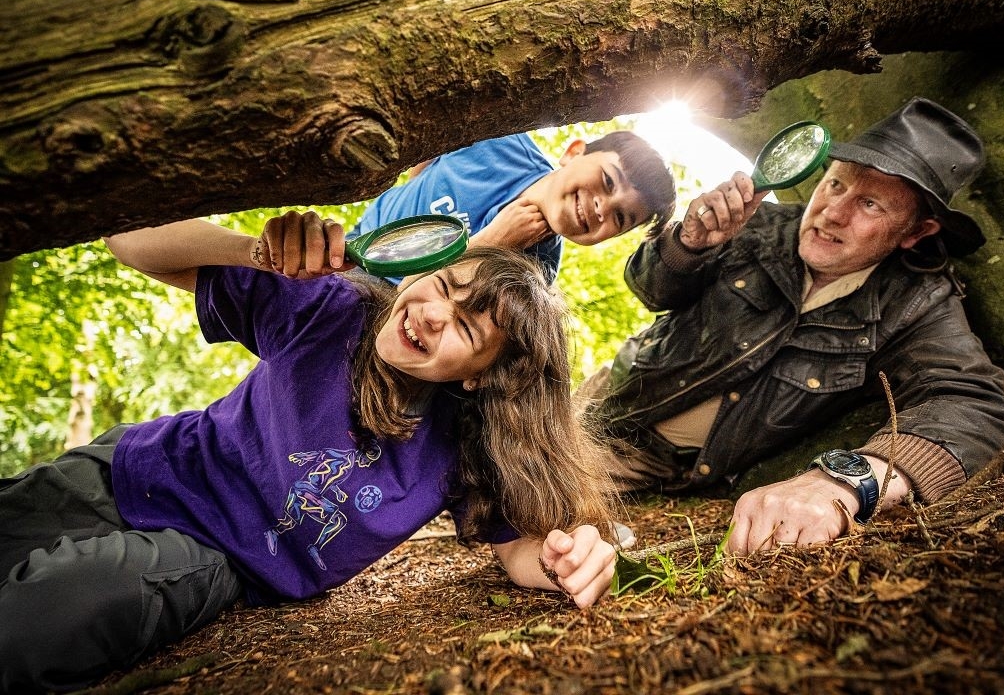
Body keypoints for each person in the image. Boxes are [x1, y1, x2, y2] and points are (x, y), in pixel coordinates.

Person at [0, 215, 619, 692]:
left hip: (213, 554)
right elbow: (128, 239)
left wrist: (567, 557)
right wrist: (255, 250)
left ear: (480, 376)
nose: (431, 314)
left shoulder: (464, 447)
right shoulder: (331, 307)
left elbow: (517, 547)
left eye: (466, 329)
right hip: (131, 468)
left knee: (47, 616)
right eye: (443, 286)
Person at [580, 97, 1004, 555]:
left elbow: (978, 403)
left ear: (916, 232)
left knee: (516, 482)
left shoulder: (915, 302)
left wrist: (847, 480)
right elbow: (649, 289)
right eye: (835, 185)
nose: (833, 212)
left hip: (643, 453)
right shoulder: (759, 225)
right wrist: (688, 244)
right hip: (610, 391)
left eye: (869, 204)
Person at [348, 130, 676, 283]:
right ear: (574, 152)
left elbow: (432, 307)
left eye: (620, 217)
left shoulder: (536, 273)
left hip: (386, 296)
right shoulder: (502, 140)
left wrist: (493, 242)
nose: (603, 208)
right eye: (608, 181)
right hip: (360, 237)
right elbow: (429, 151)